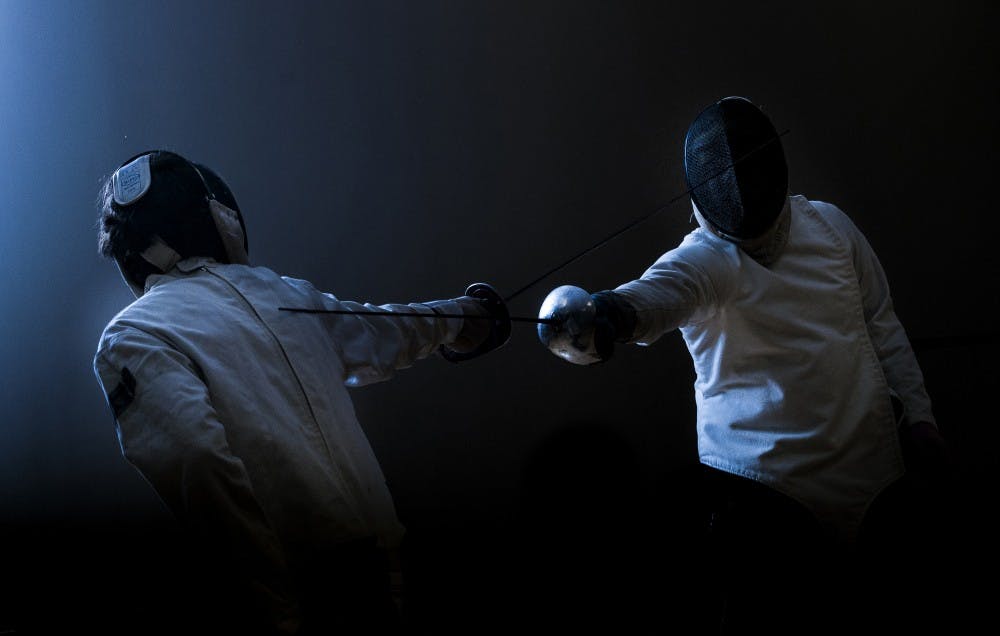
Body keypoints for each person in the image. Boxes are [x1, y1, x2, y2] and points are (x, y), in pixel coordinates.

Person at [537, 96, 954, 634]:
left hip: (872, 473)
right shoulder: (706, 259)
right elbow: (656, 295)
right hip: (766, 494)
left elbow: (881, 324)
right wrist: (609, 314)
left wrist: (920, 419)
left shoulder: (829, 226)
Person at [92, 150, 510, 635]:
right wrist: (282, 614)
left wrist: (465, 318)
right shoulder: (136, 334)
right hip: (310, 598)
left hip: (387, 580)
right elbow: (200, 471)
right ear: (215, 217)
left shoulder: (280, 294)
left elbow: (380, 329)